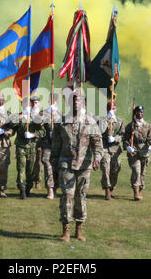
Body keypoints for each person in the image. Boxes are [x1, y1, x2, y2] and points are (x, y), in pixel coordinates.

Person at [51, 92, 103, 242]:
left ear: (84, 103)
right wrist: (53, 164)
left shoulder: (91, 122)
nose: (76, 103)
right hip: (65, 164)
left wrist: (97, 159)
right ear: (68, 103)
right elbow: (55, 145)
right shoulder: (61, 122)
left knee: (81, 197)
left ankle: (79, 229)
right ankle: (66, 230)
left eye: (78, 100)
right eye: (73, 100)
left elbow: (98, 145)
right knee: (67, 196)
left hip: (84, 166)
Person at [8, 96, 46, 199]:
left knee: (31, 170)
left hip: (32, 147)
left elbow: (42, 131)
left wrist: (33, 135)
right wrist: (21, 115)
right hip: (21, 146)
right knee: (21, 169)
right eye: (24, 105)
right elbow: (12, 123)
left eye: (28, 104)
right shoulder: (19, 116)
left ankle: (29, 188)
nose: (26, 106)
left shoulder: (35, 117)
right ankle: (22, 189)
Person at [123, 105, 151, 200]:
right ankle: (136, 192)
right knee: (136, 171)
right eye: (138, 112)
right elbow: (125, 139)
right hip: (134, 152)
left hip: (144, 152)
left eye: (142, 112)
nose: (140, 113)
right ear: (135, 113)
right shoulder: (130, 126)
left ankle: (140, 189)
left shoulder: (148, 126)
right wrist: (128, 147)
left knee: (142, 173)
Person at [99, 101, 125, 200]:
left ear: (116, 109)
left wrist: (115, 139)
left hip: (115, 149)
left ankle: (112, 188)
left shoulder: (119, 121)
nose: (112, 110)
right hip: (104, 148)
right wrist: (107, 119)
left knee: (115, 170)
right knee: (105, 169)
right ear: (106, 109)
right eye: (110, 108)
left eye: (113, 108)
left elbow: (123, 135)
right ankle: (107, 190)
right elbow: (100, 131)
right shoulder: (102, 120)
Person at [41, 93, 61, 199]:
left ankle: (55, 188)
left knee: (56, 167)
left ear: (57, 102)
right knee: (47, 166)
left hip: (57, 146)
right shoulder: (43, 113)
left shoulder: (61, 114)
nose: (52, 102)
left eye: (54, 100)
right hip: (47, 144)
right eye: (51, 100)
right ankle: (50, 190)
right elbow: (39, 124)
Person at [31, 96, 43, 190]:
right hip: (28, 143)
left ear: (39, 103)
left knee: (38, 163)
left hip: (39, 142)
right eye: (33, 102)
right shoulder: (26, 113)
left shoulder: (42, 114)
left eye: (36, 102)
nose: (35, 104)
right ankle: (29, 182)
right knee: (30, 163)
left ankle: (37, 181)